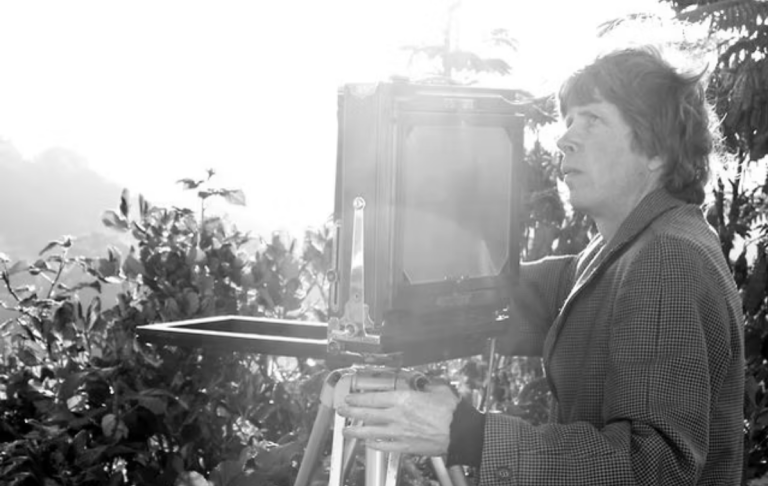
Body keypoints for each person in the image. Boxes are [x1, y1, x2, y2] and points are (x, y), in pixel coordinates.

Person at [337, 46, 745, 485]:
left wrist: (468, 434)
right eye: (569, 120)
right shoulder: (622, 251)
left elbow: (653, 467)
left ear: (656, 150)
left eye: (592, 119)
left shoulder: (667, 258)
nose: (564, 137)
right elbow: (508, 294)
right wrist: (402, 270)